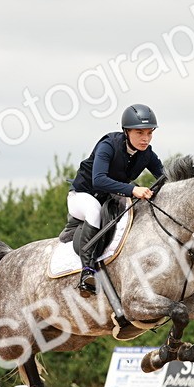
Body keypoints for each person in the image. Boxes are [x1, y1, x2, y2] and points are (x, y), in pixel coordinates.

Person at [67, 103, 165, 296]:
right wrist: (133, 189)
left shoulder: (146, 153)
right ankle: (87, 271)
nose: (145, 139)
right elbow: (99, 180)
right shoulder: (108, 145)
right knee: (94, 210)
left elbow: (164, 175)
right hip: (83, 196)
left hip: (110, 199)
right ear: (126, 132)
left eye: (149, 133)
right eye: (140, 133)